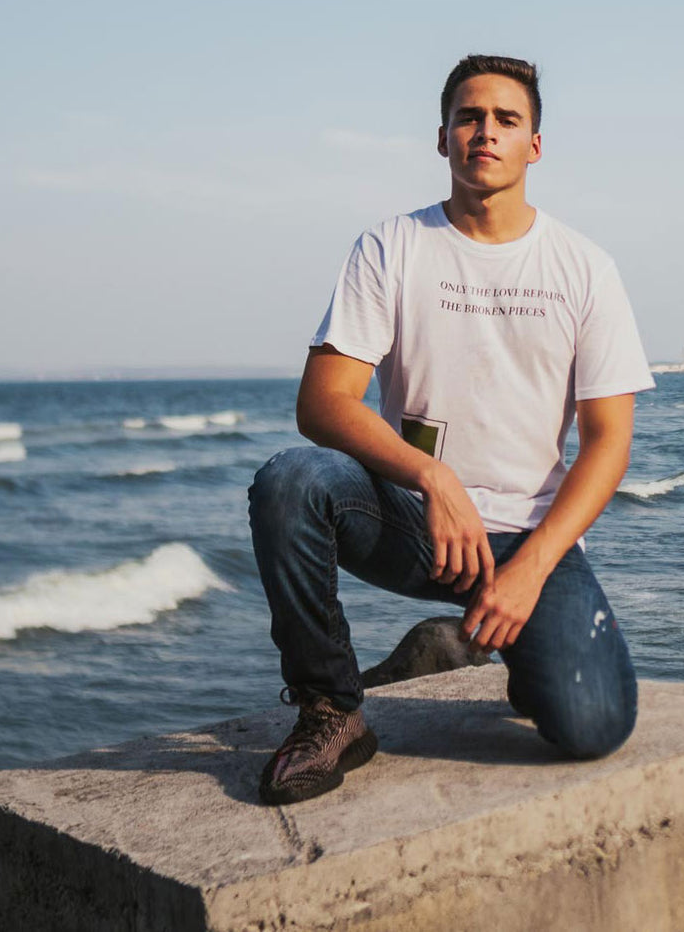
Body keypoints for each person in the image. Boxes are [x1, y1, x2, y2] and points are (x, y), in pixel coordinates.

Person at [248, 54, 654, 805]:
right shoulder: (391, 247)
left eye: (506, 120)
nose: (485, 133)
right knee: (290, 481)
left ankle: (529, 663)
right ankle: (332, 710)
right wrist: (432, 476)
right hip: (418, 520)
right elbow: (323, 402)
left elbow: (609, 442)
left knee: (593, 724)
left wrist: (532, 569)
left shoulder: (585, 268)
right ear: (442, 138)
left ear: (536, 144)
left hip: (528, 536)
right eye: (469, 117)